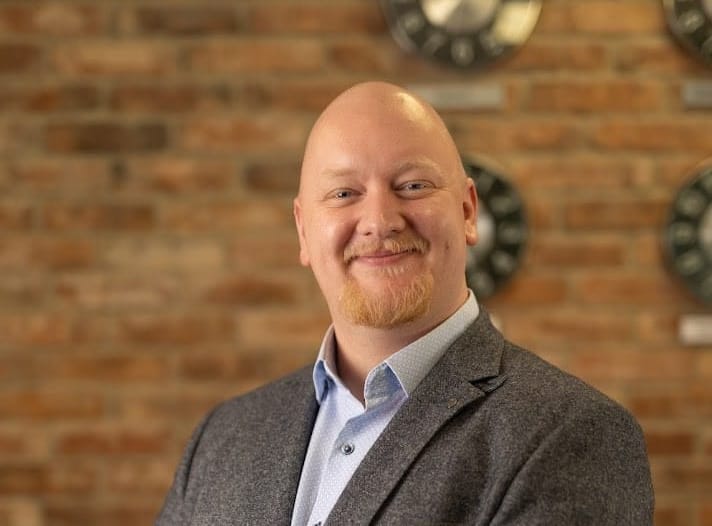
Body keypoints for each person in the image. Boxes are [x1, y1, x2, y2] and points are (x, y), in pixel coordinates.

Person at [156, 81, 654, 525]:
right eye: (344, 192)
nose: (379, 220)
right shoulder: (224, 436)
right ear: (304, 231)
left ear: (466, 210)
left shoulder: (572, 436)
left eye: (413, 186)